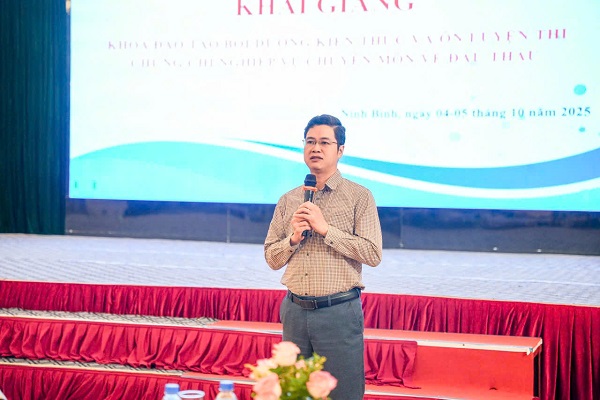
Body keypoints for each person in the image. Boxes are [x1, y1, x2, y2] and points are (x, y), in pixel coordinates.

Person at [264, 114, 383, 400]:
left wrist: (326, 229)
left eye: (324, 142)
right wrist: (293, 239)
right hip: (294, 311)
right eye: (310, 142)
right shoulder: (289, 199)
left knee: (342, 394)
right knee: (293, 393)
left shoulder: (359, 196)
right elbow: (271, 257)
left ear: (340, 150)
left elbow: (372, 253)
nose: (315, 148)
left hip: (337, 313)